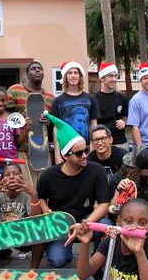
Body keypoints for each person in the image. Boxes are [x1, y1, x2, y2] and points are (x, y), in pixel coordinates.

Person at [37, 113, 109, 268]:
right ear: (65, 156)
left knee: (106, 225)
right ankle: (62, 251)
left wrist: (86, 223)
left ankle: (97, 261)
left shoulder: (96, 171)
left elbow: (104, 204)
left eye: (86, 150)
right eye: (78, 153)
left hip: (87, 219)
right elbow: (41, 197)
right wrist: (45, 210)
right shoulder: (49, 175)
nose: (85, 156)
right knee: (57, 260)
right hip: (62, 225)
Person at [7, 60, 55, 185]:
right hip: (21, 150)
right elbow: (5, 115)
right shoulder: (15, 90)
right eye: (33, 68)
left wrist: (48, 122)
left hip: (42, 151)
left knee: (44, 188)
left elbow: (53, 125)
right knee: (25, 188)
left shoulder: (50, 98)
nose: (38, 70)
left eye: (40, 68)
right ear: (27, 74)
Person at [51, 60, 99, 163]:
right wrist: (57, 154)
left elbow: (94, 124)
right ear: (65, 77)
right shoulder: (58, 101)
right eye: (70, 73)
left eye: (76, 73)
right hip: (66, 150)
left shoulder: (90, 98)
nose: (73, 76)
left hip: (86, 148)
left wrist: (92, 146)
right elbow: (56, 128)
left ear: (80, 76)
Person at [94, 62, 130, 151]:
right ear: (102, 78)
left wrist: (124, 122)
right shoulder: (94, 99)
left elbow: (128, 118)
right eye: (110, 76)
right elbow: (93, 123)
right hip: (101, 144)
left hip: (121, 143)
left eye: (115, 76)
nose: (114, 79)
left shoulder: (122, 98)